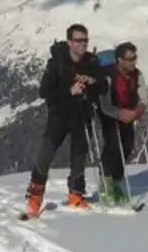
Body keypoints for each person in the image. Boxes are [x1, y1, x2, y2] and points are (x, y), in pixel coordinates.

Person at [24, 23, 106, 216]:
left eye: (85, 40)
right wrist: (70, 91)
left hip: (82, 114)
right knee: (46, 153)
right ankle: (35, 196)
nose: (83, 44)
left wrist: (92, 81)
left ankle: (75, 194)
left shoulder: (91, 62)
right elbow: (45, 91)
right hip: (59, 115)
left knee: (79, 155)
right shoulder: (57, 63)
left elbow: (103, 86)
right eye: (79, 40)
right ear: (69, 42)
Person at [96, 41, 148, 204]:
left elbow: (144, 98)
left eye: (134, 58)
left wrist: (136, 112)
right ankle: (106, 184)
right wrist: (120, 114)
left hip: (128, 113)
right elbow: (104, 105)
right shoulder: (106, 76)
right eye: (130, 59)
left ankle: (116, 181)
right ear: (119, 60)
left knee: (126, 147)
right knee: (112, 145)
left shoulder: (137, 75)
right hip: (109, 113)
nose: (133, 62)